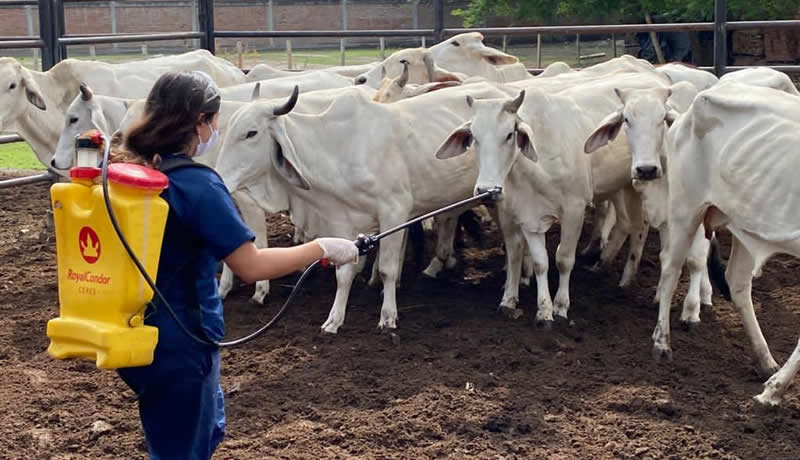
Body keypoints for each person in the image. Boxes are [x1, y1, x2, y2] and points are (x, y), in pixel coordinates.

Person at [113, 70, 359, 459]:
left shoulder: (134, 174)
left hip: (133, 331)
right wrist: (321, 247)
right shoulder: (198, 185)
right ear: (200, 122)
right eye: (215, 120)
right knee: (184, 449)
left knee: (190, 431)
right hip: (183, 339)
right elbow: (252, 266)